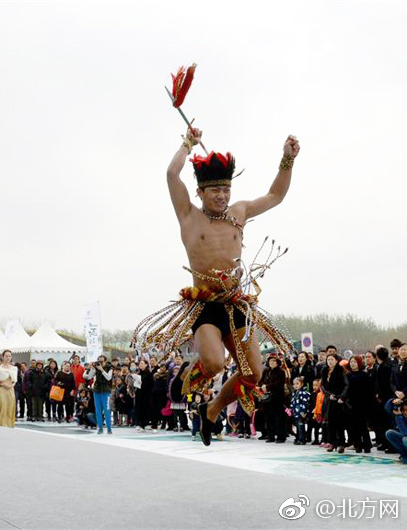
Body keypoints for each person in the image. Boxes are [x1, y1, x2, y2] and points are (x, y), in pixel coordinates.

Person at [132, 126, 300, 446]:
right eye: (215, 190)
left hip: (236, 304)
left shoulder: (239, 213)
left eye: (226, 189)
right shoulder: (188, 216)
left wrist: (287, 160)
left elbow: (275, 195)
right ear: (200, 193)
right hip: (206, 304)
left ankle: (213, 409)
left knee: (253, 373)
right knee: (214, 364)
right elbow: (171, 174)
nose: (222, 196)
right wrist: (187, 144)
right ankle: (195, 385)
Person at [321, 352, 348, 453]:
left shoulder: (340, 370)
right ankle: (332, 443)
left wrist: (341, 396)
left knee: (339, 422)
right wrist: (328, 394)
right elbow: (323, 386)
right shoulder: (324, 370)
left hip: (338, 399)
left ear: (336, 361)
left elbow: (346, 385)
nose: (330, 361)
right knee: (329, 422)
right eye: (328, 360)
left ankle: (341, 443)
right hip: (328, 399)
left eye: (332, 359)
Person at [345, 355, 373, 453]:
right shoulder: (347, 375)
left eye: (354, 362)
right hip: (351, 403)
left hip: (362, 403)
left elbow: (369, 390)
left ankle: (367, 444)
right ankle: (357, 444)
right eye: (351, 362)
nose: (352, 364)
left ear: (359, 363)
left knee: (362, 425)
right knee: (353, 425)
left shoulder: (364, 375)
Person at [260, 355, 287, 443]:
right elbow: (261, 381)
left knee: (278, 418)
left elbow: (279, 384)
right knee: (268, 417)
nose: (272, 362)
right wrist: (262, 386)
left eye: (274, 361)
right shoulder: (266, 371)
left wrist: (267, 387)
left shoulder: (281, 372)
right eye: (271, 361)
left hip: (277, 397)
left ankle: (281, 436)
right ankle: (270, 435)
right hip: (267, 398)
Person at [84, 355, 113, 434]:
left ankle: (109, 428)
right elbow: (87, 377)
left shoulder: (109, 368)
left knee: (107, 410)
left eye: (102, 361)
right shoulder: (95, 368)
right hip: (97, 390)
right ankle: (100, 427)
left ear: (105, 361)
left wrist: (102, 370)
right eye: (99, 361)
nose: (100, 363)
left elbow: (108, 378)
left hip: (106, 391)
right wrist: (89, 368)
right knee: (98, 410)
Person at [0, 351, 18, 428]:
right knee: (2, 405)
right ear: (3, 357)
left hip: (10, 390)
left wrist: (11, 385)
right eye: (6, 356)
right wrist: (3, 384)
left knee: (9, 406)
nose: (8, 358)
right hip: (2, 389)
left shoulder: (14, 368)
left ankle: (9, 423)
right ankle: (0, 423)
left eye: (9, 356)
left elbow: (15, 380)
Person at [384, 397, 407, 464]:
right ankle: (405, 456)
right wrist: (392, 401)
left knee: (405, 439)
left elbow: (405, 433)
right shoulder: (401, 416)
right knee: (390, 433)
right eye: (404, 410)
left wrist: (399, 417)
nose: (405, 412)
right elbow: (387, 408)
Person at [290, 377, 311, 445]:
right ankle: (298, 438)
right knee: (297, 426)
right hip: (296, 412)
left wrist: (304, 411)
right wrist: (291, 409)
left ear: (302, 384)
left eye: (297, 384)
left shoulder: (304, 393)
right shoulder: (295, 393)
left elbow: (306, 403)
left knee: (301, 426)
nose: (295, 385)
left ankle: (302, 439)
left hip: (301, 412)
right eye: (294, 384)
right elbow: (293, 402)